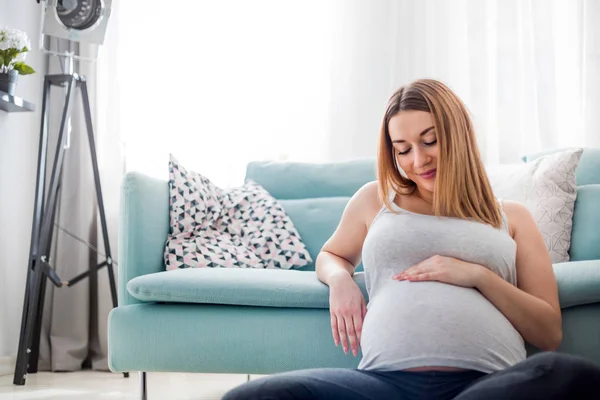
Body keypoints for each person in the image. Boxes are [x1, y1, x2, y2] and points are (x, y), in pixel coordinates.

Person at [223, 79, 600, 400]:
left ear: (458, 135)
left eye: (430, 141)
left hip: (485, 385)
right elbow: (333, 254)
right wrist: (340, 280)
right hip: (383, 385)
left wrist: (478, 276)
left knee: (566, 372)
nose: (417, 160)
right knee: (254, 396)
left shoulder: (512, 216)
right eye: (402, 149)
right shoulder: (375, 199)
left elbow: (548, 332)